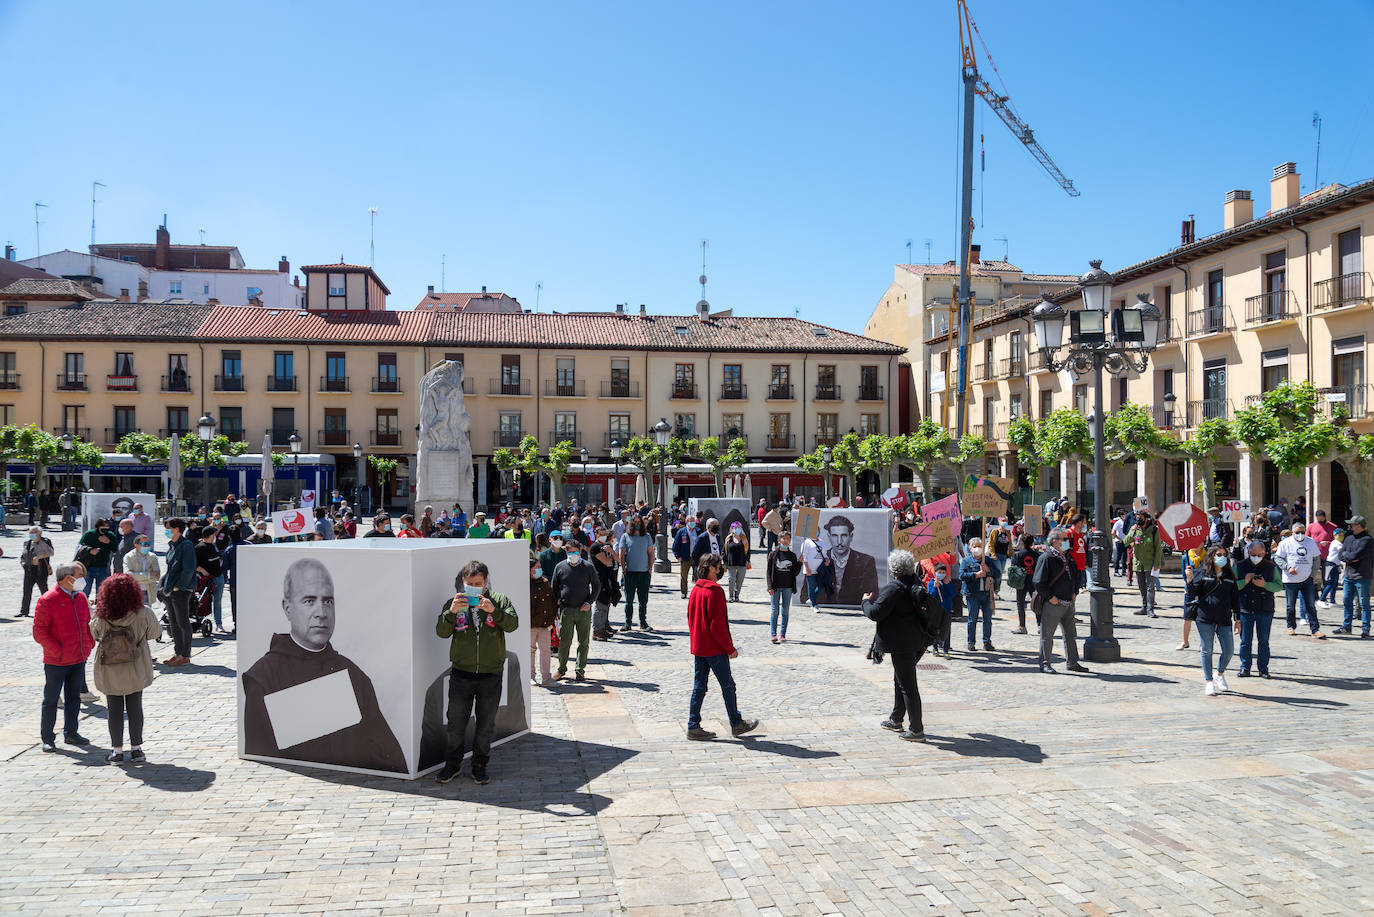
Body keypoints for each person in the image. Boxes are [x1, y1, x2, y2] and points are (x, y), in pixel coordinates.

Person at [242, 558, 407, 772]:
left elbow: (388, 754)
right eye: (309, 601)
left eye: (328, 601)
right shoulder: (264, 678)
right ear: (287, 608)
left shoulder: (353, 675)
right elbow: (263, 762)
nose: (321, 613)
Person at [433, 559, 519, 784]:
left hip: (491, 674)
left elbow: (513, 624)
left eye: (478, 583)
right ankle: (452, 765)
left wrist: (495, 611)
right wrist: (451, 612)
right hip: (462, 673)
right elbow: (441, 632)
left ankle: (479, 765)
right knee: (455, 723)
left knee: (485, 725)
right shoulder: (455, 602)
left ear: (486, 582)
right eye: (469, 583)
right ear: (463, 581)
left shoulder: (499, 600)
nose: (473, 586)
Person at [862, 550, 940, 742]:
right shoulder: (916, 582)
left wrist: (865, 602)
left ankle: (916, 729)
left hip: (902, 643)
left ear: (893, 570)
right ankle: (896, 718)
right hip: (918, 641)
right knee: (901, 679)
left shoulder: (894, 589)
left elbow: (875, 613)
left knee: (908, 685)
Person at [89, 573, 162, 764]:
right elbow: (155, 633)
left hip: (110, 667)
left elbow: (94, 634)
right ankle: (137, 749)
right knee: (135, 707)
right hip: (136, 666)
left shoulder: (101, 614)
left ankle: (117, 751)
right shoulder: (143, 612)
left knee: (114, 709)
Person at [685, 554, 758, 740]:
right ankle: (736, 723)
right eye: (718, 566)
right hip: (714, 648)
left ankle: (693, 725)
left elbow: (690, 617)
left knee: (699, 687)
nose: (721, 569)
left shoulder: (695, 589)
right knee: (728, 686)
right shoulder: (715, 591)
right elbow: (717, 626)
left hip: (699, 646)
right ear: (710, 568)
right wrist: (729, 648)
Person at [32, 562, 95, 751]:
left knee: (74, 698)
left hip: (78, 658)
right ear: (68, 578)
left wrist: (88, 645)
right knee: (51, 700)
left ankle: (71, 733)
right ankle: (48, 738)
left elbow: (87, 625)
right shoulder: (47, 600)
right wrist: (58, 651)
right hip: (56, 661)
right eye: (80, 575)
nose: (83, 578)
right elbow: (39, 632)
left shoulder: (81, 597)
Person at [1185, 546, 1241, 696]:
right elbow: (1192, 593)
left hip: (1224, 618)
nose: (1222, 557)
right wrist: (1189, 579)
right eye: (1218, 554)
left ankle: (1219, 674)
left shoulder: (1229, 575)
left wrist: (1238, 619)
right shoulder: (1202, 573)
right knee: (1207, 649)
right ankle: (1209, 681)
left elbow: (1235, 598)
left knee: (1229, 651)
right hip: (1205, 617)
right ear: (1212, 556)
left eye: (1224, 554)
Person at [1033, 526, 1087, 674]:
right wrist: (1051, 597)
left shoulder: (1067, 556)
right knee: (1047, 635)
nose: (1067, 541)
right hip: (1053, 603)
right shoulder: (1046, 558)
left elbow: (1076, 575)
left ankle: (1073, 662)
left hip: (1068, 602)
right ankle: (1045, 663)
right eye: (1064, 539)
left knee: (1070, 634)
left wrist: (1075, 591)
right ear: (1055, 541)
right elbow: (1038, 581)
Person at [552, 541, 599, 681]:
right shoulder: (560, 567)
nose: (573, 555)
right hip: (566, 610)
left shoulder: (588, 567)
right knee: (564, 641)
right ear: (566, 552)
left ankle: (580, 670)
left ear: (580, 552)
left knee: (583, 641)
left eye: (575, 552)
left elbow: (596, 586)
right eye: (570, 552)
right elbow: (554, 587)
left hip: (583, 610)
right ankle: (561, 669)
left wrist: (589, 602)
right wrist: (557, 601)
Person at [1235, 540, 1280, 678]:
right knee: (1245, 641)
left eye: (1259, 554)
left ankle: (1263, 668)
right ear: (1248, 553)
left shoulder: (1271, 566)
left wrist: (1265, 584)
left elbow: (1279, 586)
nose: (1256, 556)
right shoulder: (1239, 566)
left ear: (1264, 553)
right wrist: (1244, 581)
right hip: (1245, 608)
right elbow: (1232, 586)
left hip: (1265, 608)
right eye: (1253, 554)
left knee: (1264, 641)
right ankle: (1245, 667)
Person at [1274, 525, 1324, 638]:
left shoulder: (1310, 542)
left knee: (1310, 605)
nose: (1300, 534)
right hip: (1290, 580)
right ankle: (1291, 626)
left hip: (1307, 579)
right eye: (1297, 532)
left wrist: (1313, 574)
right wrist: (1287, 567)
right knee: (1290, 605)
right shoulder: (1285, 543)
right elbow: (1277, 558)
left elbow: (1316, 559)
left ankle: (1315, 629)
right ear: (1292, 532)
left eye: (1302, 532)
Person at [160, 518, 198, 667]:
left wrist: (179, 586)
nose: (166, 530)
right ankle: (178, 653)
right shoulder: (172, 546)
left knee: (183, 622)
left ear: (177, 529)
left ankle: (185, 654)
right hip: (170, 590)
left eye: (168, 528)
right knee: (174, 623)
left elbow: (189, 568)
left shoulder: (186, 545)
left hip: (181, 590)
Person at [822, 515, 879, 605]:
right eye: (834, 536)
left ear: (851, 536)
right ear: (829, 536)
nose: (839, 541)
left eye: (844, 536)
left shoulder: (866, 562)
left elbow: (872, 595)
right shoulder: (819, 558)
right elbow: (805, 594)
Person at [958, 537, 996, 652]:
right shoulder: (966, 561)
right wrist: (976, 575)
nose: (977, 549)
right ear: (970, 548)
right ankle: (971, 642)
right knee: (972, 619)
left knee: (987, 619)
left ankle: (987, 642)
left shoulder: (987, 560)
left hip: (986, 594)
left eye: (979, 546)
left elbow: (997, 573)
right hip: (972, 594)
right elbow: (962, 575)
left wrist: (988, 570)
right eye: (975, 546)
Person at [617, 517, 654, 631]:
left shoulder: (647, 537)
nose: (637, 524)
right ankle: (628, 622)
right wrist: (623, 569)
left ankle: (643, 622)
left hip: (644, 573)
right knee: (629, 601)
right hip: (630, 573)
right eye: (635, 522)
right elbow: (622, 554)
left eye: (639, 522)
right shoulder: (626, 536)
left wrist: (650, 568)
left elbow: (651, 553)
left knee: (643, 600)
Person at [1337, 515, 1372, 637]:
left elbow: (1356, 556)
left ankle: (1365, 628)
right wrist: (1349, 557)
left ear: (1359, 526)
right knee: (1346, 601)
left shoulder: (1367, 540)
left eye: (1352, 524)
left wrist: (1349, 557)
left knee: (1364, 603)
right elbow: (1341, 555)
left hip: (1362, 576)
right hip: (1348, 576)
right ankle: (1347, 626)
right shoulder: (1349, 538)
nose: (1350, 526)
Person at [1125, 509, 1163, 618]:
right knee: (1141, 586)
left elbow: (1158, 549)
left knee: (1150, 587)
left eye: (1140, 518)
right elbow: (1126, 541)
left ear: (1146, 518)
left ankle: (1150, 609)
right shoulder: (1135, 529)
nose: (1138, 520)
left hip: (1150, 563)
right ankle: (1144, 606)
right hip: (1138, 563)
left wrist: (1157, 564)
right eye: (1137, 517)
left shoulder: (1153, 530)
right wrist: (1132, 531)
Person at [528, 554, 557, 685]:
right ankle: (530, 676)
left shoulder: (545, 583)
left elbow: (551, 601)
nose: (540, 569)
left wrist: (552, 618)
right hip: (531, 625)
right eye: (537, 567)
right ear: (529, 570)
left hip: (545, 625)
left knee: (546, 651)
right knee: (531, 651)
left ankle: (546, 678)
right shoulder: (526, 584)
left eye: (540, 567)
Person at [766, 531, 799, 643]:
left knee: (785, 611)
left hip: (788, 587)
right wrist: (769, 586)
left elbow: (795, 572)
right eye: (783, 538)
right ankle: (773, 634)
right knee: (775, 611)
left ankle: (783, 634)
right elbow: (768, 572)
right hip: (775, 587)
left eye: (787, 539)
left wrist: (800, 562)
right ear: (779, 540)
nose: (785, 540)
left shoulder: (792, 556)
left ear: (790, 540)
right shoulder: (773, 554)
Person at [195, 525, 228, 634]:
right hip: (206, 579)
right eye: (213, 534)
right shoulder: (199, 548)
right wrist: (203, 571)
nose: (215, 536)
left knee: (217, 601)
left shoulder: (213, 546)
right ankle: (198, 622)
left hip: (218, 577)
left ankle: (219, 624)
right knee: (203, 601)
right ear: (209, 535)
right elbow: (194, 564)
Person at [76, 518, 116, 599]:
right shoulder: (89, 534)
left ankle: (99, 610)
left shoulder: (110, 535)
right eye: (103, 528)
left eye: (107, 528)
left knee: (101, 593)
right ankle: (83, 608)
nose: (105, 530)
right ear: (98, 527)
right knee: (85, 591)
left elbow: (115, 549)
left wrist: (108, 542)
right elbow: (79, 548)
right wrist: (90, 550)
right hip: (88, 567)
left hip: (103, 567)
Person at [20, 525, 54, 618]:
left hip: (41, 571)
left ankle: (50, 609)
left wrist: (39, 557)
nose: (31, 534)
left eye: (33, 532)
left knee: (44, 591)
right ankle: (24, 611)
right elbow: (23, 556)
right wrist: (23, 564)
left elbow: (51, 552)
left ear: (39, 533)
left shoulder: (45, 541)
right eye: (30, 532)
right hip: (29, 570)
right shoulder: (27, 543)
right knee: (26, 591)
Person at [590, 536, 621, 640]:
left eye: (605, 534)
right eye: (600, 534)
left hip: (609, 579)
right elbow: (607, 562)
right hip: (600, 580)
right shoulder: (595, 547)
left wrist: (611, 551)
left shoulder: (608, 547)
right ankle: (596, 630)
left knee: (606, 605)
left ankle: (602, 629)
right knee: (600, 605)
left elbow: (618, 559)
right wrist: (611, 556)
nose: (603, 537)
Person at [926, 562, 958, 656]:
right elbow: (930, 596)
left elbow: (953, 594)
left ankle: (946, 649)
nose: (941, 574)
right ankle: (935, 648)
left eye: (943, 572)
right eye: (939, 572)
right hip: (936, 611)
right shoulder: (931, 583)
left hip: (946, 610)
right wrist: (935, 587)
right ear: (935, 572)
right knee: (935, 629)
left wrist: (948, 584)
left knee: (946, 630)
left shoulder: (947, 582)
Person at [1009, 534, 1039, 634]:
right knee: (1036, 603)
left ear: (1021, 542)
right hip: (1033, 581)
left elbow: (1013, 569)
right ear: (1032, 543)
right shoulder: (1036, 555)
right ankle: (1040, 625)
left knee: (1020, 604)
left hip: (1020, 582)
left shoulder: (1018, 555)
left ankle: (1022, 626)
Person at [124, 535, 160, 607]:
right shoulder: (129, 557)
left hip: (148, 593)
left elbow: (156, 576)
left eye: (148, 544)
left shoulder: (153, 557)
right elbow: (128, 575)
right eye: (144, 544)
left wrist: (137, 578)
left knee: (146, 616)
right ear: (136, 545)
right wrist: (149, 575)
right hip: (133, 593)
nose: (146, 546)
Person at [724, 524, 751, 603]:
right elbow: (724, 551)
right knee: (731, 580)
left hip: (742, 563)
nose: (737, 529)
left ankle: (737, 596)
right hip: (731, 563)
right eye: (735, 528)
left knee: (739, 581)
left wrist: (747, 560)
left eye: (739, 528)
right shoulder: (728, 539)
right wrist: (725, 561)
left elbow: (748, 551)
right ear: (732, 529)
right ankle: (730, 596)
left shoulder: (744, 539)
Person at [673, 518, 699, 599]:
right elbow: (675, 545)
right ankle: (684, 592)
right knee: (684, 576)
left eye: (693, 521)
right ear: (687, 522)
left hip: (696, 558)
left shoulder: (698, 531)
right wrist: (677, 556)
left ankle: (698, 593)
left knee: (698, 576)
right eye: (691, 521)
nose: (693, 523)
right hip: (685, 558)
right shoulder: (681, 532)